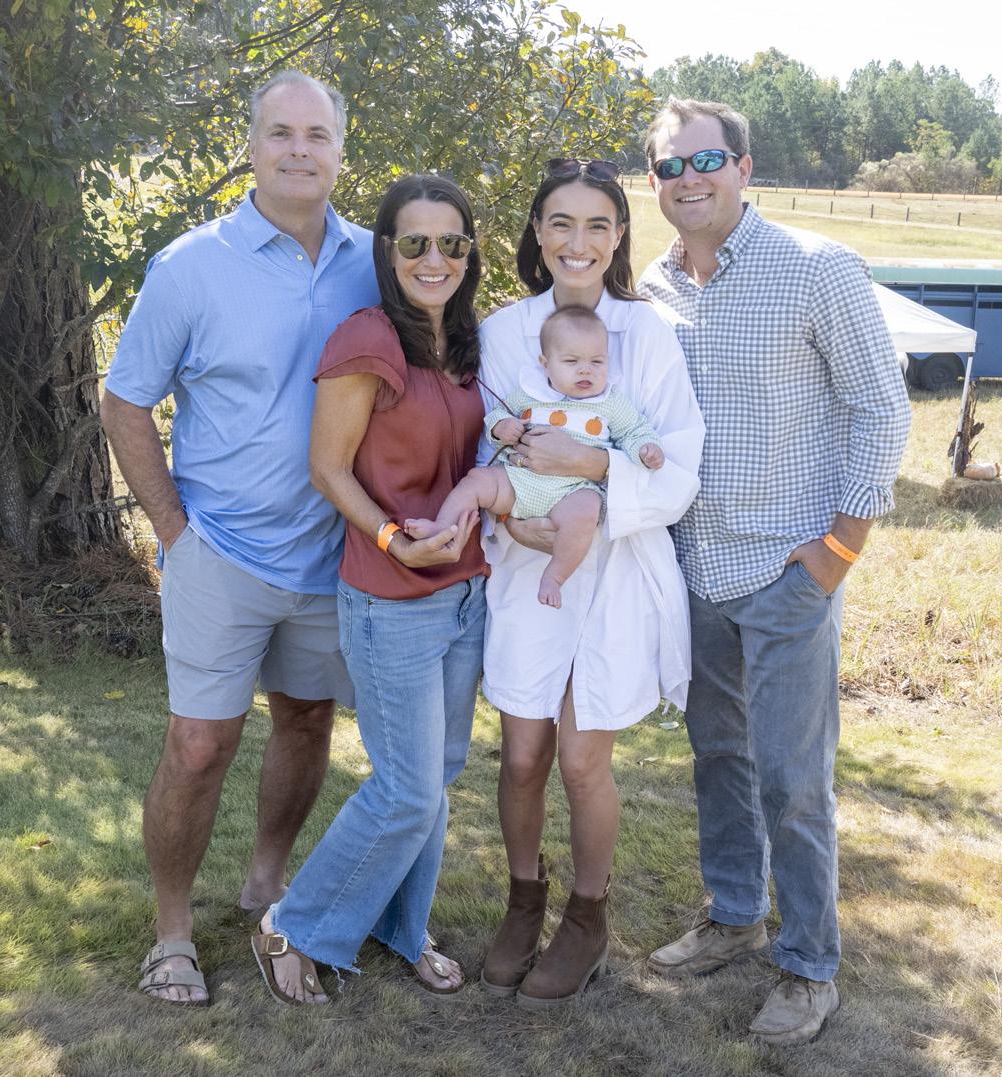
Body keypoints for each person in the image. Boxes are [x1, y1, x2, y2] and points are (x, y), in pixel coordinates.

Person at [101, 70, 380, 1006]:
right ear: (251, 146)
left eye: (317, 134)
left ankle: (266, 882)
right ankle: (171, 933)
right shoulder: (192, 265)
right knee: (197, 743)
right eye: (280, 133)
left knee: (306, 722)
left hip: (332, 555)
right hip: (218, 549)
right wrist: (173, 530)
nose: (299, 149)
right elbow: (125, 399)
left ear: (340, 149)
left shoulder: (376, 262)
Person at [637, 98, 911, 1045]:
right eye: (670, 165)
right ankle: (733, 913)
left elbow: (881, 408)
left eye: (706, 159)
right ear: (653, 182)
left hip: (789, 572)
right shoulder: (653, 286)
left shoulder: (816, 267)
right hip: (695, 568)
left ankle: (808, 964)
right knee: (718, 755)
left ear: (744, 167)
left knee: (794, 780)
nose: (689, 178)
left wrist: (838, 549)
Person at [249, 173, 488, 1005]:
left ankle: (400, 926)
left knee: (436, 778)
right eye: (413, 242)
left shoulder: (465, 343)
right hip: (390, 598)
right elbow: (327, 467)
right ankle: (290, 923)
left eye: (450, 242)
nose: (433, 258)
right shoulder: (368, 337)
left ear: (470, 252)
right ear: (387, 251)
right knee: (406, 789)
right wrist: (392, 537)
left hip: (465, 593)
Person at [476, 159, 705, 1009]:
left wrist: (591, 464)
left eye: (598, 224)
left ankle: (585, 915)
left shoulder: (648, 334)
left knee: (580, 758)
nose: (578, 241)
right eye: (561, 223)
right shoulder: (503, 331)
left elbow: (677, 467)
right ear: (537, 232)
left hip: (616, 570)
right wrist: (511, 521)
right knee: (523, 754)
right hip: (528, 567)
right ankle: (522, 899)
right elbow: (482, 444)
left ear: (618, 236)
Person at [405, 305, 665, 607]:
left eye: (597, 361)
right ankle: (443, 526)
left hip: (572, 490)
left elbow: (634, 430)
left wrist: (645, 448)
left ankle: (555, 576)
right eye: (571, 361)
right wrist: (503, 427)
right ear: (546, 364)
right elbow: (496, 415)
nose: (586, 370)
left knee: (587, 510)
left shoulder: (610, 402)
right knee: (476, 480)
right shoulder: (530, 393)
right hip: (519, 481)